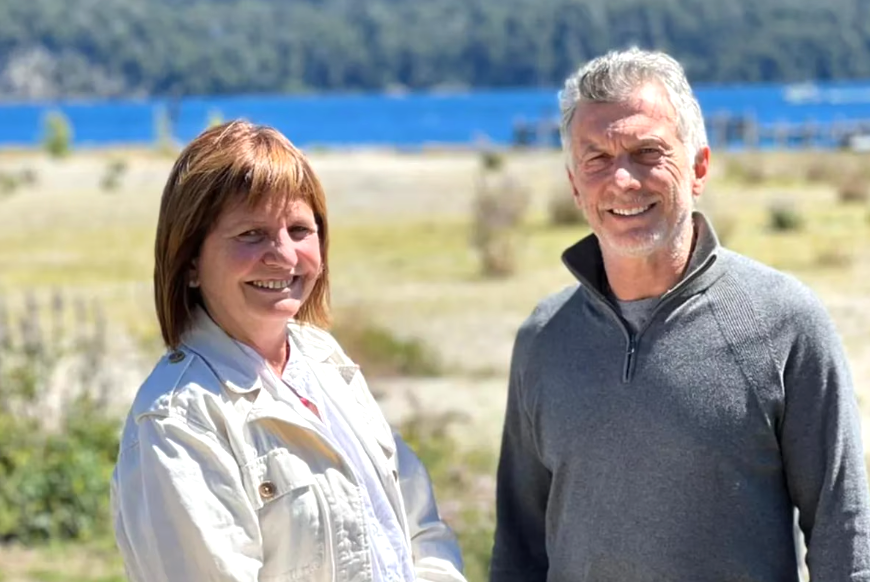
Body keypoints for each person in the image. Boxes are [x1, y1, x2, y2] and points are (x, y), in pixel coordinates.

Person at [489, 47, 870, 582]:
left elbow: (843, 534)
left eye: (647, 151)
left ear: (698, 168)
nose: (623, 180)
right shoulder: (543, 338)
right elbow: (519, 548)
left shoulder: (787, 323)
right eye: (596, 158)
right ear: (575, 186)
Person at [111, 120, 466, 582]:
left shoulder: (323, 361)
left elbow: (419, 529)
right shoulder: (179, 421)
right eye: (251, 234)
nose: (284, 254)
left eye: (299, 229)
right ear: (190, 261)